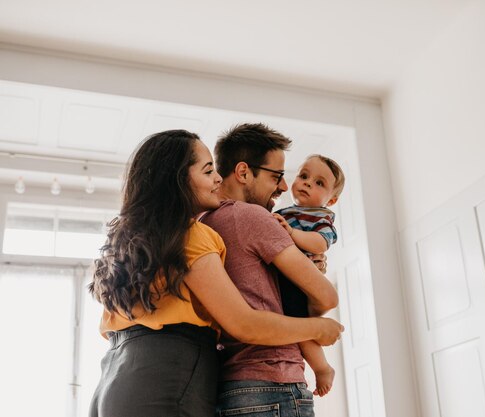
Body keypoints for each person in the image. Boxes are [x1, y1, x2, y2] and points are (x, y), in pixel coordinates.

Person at [87, 129, 343, 417]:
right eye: (208, 171)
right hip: (175, 377)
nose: (218, 179)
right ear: (179, 178)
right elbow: (245, 322)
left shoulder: (137, 239)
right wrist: (319, 328)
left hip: (116, 377)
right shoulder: (194, 234)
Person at [201, 123, 338, 417]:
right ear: (243, 172)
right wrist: (310, 284)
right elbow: (327, 298)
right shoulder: (253, 217)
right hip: (273, 382)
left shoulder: (202, 223)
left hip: (227, 384)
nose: (285, 187)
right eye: (276, 176)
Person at [272, 154, 345, 397]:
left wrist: (291, 233)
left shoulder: (322, 218)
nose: (307, 183)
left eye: (319, 183)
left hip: (299, 282)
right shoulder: (284, 211)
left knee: (301, 327)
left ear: (331, 200)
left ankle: (322, 368)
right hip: (284, 278)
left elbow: (319, 244)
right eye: (303, 176)